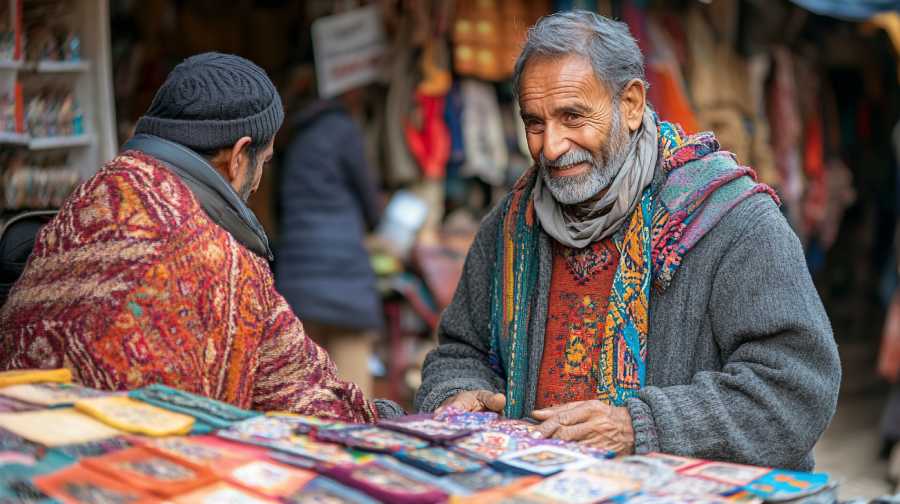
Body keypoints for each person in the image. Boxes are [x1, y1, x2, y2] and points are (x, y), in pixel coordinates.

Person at [415, 11, 840, 470]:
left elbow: (796, 389)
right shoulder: (513, 225)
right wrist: (457, 394)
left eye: (573, 116)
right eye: (534, 123)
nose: (552, 146)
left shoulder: (732, 221)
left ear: (632, 104)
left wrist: (638, 426)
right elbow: (459, 351)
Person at [0, 52, 391, 423]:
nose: (257, 182)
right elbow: (308, 399)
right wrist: (391, 418)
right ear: (239, 158)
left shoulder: (85, 202)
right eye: (264, 162)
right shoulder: (224, 261)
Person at [276, 95, 383, 397]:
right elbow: (370, 201)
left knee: (303, 391)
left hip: (298, 278)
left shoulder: (291, 137)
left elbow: (279, 208)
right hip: (344, 278)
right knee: (353, 395)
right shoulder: (343, 129)